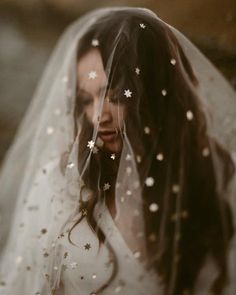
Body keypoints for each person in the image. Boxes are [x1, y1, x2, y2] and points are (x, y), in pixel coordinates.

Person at [0, 6, 236, 295]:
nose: (99, 116)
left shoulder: (213, 178)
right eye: (87, 100)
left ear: (154, 90)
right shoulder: (61, 183)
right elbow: (20, 284)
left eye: (113, 95)